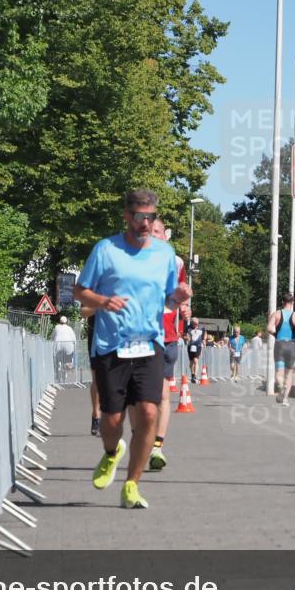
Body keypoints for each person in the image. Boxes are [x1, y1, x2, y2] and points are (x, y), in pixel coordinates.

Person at [74, 189, 191, 509]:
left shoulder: (165, 254)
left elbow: (169, 298)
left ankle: (131, 485)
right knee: (112, 420)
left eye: (150, 217)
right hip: (112, 346)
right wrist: (102, 301)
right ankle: (112, 453)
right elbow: (79, 290)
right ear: (126, 216)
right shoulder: (105, 250)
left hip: (149, 343)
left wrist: (178, 297)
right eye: (139, 216)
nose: (145, 223)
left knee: (149, 413)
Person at [147, 217, 190, 471]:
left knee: (162, 395)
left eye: (158, 231)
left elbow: (182, 293)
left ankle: (157, 447)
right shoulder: (134, 261)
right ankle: (143, 438)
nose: (153, 235)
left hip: (168, 337)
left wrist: (184, 308)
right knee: (142, 398)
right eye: (149, 231)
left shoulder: (177, 263)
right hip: (140, 336)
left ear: (165, 236)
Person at [266, 292, 295, 406]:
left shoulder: (276, 314)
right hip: (292, 346)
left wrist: (275, 333)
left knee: (279, 373)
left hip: (279, 345)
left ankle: (280, 386)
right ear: (292, 302)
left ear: (282, 302)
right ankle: (286, 399)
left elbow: (269, 328)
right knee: (289, 374)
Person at [82, 310, 101, 435]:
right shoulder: (94, 289)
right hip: (96, 334)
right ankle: (96, 416)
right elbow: (84, 312)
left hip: (119, 334)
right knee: (98, 378)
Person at [50, 316, 77, 384]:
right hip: (68, 346)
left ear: (60, 321)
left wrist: (51, 343)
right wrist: (74, 348)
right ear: (66, 322)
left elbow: (52, 337)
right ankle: (65, 371)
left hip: (58, 345)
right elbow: (74, 339)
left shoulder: (56, 327)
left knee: (57, 360)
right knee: (67, 361)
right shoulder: (69, 328)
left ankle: (58, 372)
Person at [185, 318, 205, 382]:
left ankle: (195, 375)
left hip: (198, 346)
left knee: (196, 360)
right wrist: (187, 338)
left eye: (197, 324)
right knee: (191, 362)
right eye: (194, 324)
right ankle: (192, 374)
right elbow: (184, 335)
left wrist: (204, 340)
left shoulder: (202, 327)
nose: (196, 325)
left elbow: (205, 335)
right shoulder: (188, 328)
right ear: (191, 323)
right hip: (190, 346)